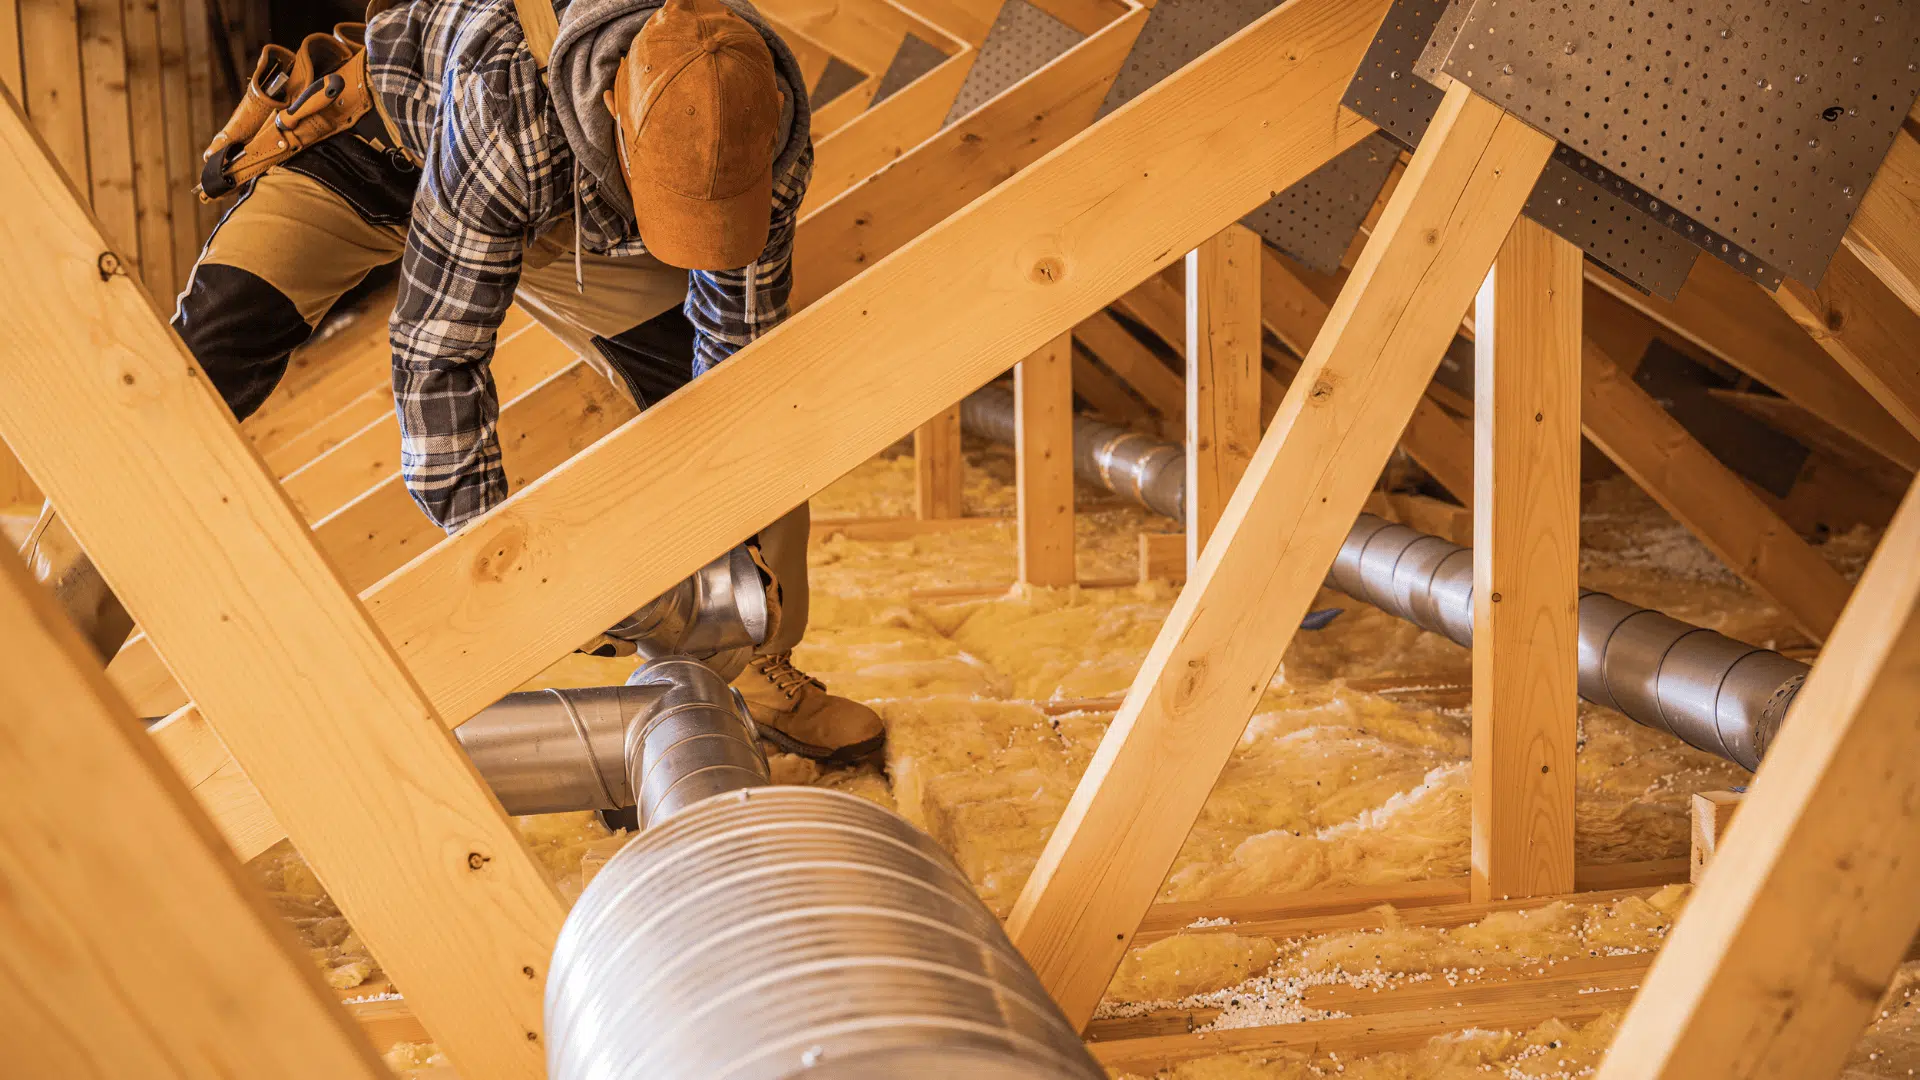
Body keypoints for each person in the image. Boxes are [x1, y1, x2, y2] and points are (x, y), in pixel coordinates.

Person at [17, 0, 884, 763]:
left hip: (571, 213)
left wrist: (708, 573)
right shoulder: (509, 110)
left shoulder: (755, 122)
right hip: (371, 159)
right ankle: (42, 671)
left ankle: (753, 664)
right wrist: (516, 570)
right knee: (189, 374)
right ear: (616, 113)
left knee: (742, 404)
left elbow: (740, 361)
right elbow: (437, 352)